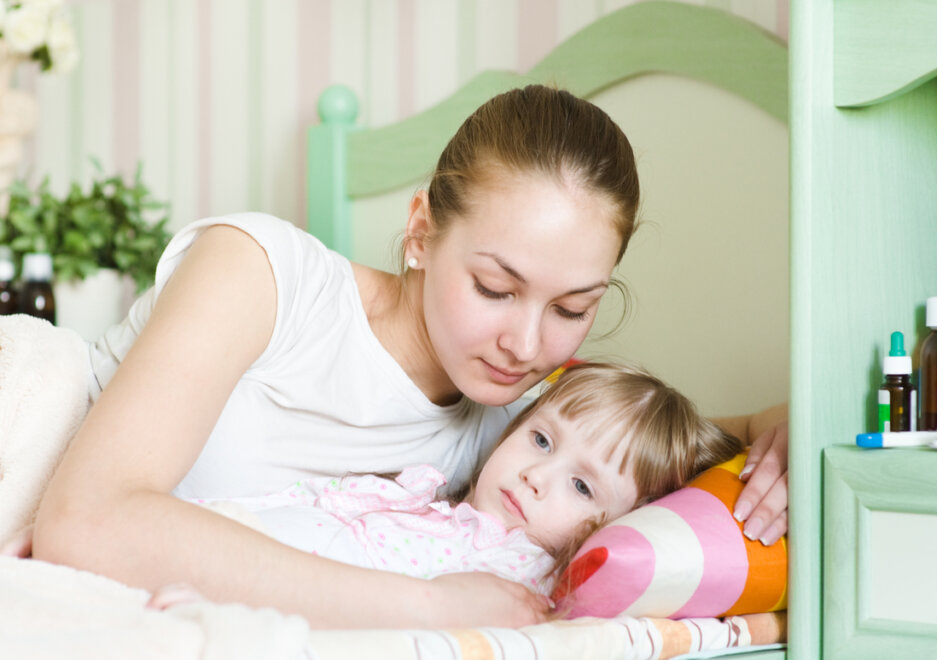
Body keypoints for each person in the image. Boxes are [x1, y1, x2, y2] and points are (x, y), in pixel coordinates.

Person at [25, 84, 788, 629]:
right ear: (421, 231)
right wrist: (427, 607)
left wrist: (792, 426)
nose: (525, 346)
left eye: (571, 309)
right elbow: (87, 522)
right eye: (495, 287)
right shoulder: (261, 276)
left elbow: (715, 435)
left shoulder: (527, 432)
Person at [150, 362, 744, 610]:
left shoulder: (516, 577)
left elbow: (374, 617)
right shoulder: (429, 494)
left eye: (582, 488)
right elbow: (301, 506)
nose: (537, 477)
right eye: (540, 440)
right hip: (209, 543)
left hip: (267, 599)